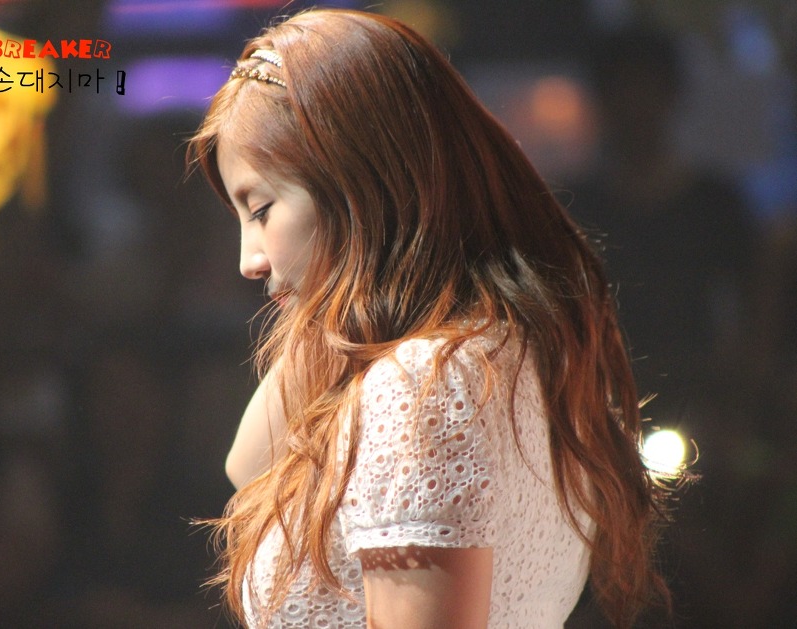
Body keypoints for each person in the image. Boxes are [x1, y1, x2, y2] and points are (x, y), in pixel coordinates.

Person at [187, 9, 673, 628]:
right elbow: (249, 467)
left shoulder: (422, 384)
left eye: (260, 210)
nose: (248, 261)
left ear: (360, 181)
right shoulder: (495, 353)